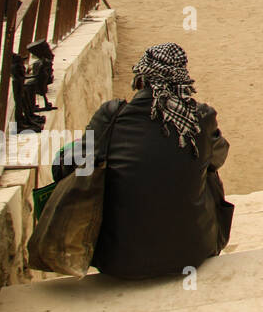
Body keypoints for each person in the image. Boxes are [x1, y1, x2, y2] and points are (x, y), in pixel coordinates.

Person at [51, 43, 232, 280]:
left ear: (141, 77)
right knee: (205, 164)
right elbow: (219, 158)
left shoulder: (111, 116)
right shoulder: (201, 117)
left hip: (117, 260)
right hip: (192, 252)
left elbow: (67, 167)